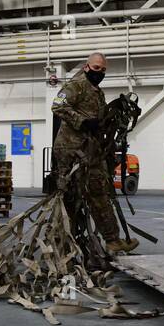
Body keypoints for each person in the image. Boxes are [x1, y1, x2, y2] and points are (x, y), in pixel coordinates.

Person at [50, 52, 138, 255]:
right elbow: (58, 106)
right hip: (71, 151)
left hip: (89, 150)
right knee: (70, 198)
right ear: (87, 67)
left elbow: (98, 121)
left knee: (99, 193)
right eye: (97, 68)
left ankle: (112, 240)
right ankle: (66, 244)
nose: (100, 72)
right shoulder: (76, 85)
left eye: (103, 69)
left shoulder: (97, 92)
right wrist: (82, 121)